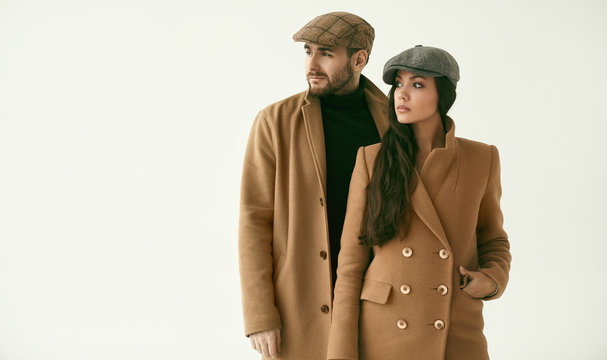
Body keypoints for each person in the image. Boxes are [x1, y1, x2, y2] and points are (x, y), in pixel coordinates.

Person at [326, 45, 512, 360]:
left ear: (443, 94)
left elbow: (493, 237)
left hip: (455, 329)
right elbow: (350, 266)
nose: (401, 94)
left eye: (416, 84)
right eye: (398, 84)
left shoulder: (482, 159)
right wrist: (340, 353)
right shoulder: (372, 160)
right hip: (383, 335)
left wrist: (492, 279)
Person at [238, 12, 390, 360]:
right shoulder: (275, 121)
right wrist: (260, 315)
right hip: (301, 304)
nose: (312, 64)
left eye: (325, 53)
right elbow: (254, 221)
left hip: (378, 299)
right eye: (308, 51)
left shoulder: (393, 121)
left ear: (359, 59)